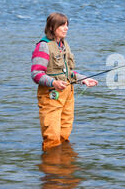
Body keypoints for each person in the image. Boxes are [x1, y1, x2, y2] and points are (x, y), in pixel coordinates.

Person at [31, 12, 98, 151]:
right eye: (62, 25)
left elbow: (68, 73)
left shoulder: (64, 45)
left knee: (64, 134)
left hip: (68, 94)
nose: (66, 28)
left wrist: (83, 80)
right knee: (52, 136)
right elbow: (36, 74)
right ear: (51, 27)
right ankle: (51, 168)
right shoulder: (44, 46)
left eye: (67, 25)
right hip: (51, 96)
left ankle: (64, 166)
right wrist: (53, 83)